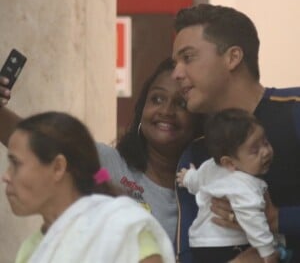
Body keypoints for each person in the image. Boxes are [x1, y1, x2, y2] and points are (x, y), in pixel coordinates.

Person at [0, 57, 204, 245]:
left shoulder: (208, 184)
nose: (166, 111)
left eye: (181, 104)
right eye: (157, 99)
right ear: (142, 107)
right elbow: (36, 144)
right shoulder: (105, 166)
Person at [171, 3, 300, 262]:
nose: (176, 74)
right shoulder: (195, 153)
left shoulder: (294, 112)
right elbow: (187, 249)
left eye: (188, 58)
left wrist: (278, 219)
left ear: (232, 57)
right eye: (176, 63)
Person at [2, 111, 176, 263]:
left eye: (16, 164)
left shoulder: (122, 230)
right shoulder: (31, 249)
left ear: (58, 167)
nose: (6, 176)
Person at [177, 108, 281, 263]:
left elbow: (196, 180)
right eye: (255, 150)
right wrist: (268, 251)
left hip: (200, 244)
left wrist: (186, 177)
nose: (265, 152)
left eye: (265, 142)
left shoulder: (210, 166)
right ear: (229, 162)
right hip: (227, 246)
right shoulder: (245, 185)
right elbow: (253, 219)